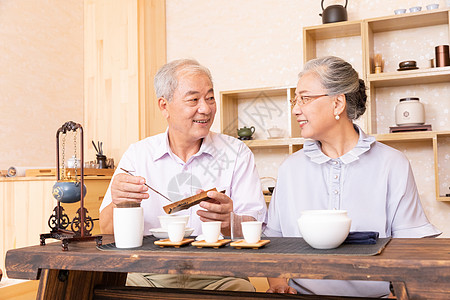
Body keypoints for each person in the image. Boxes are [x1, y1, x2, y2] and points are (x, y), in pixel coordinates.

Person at [264, 56, 441, 298]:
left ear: (338, 104)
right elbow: (274, 242)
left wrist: (400, 294)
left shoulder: (392, 163)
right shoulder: (289, 169)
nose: (295, 109)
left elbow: (412, 246)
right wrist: (278, 285)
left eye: (304, 98)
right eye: (295, 100)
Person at [99, 58, 266, 291]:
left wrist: (230, 222)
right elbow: (106, 229)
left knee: (243, 291)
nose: (206, 108)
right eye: (193, 100)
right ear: (164, 106)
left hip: (219, 274)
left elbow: (257, 225)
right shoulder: (138, 154)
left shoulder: (236, 152)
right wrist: (120, 201)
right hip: (147, 273)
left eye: (209, 98)